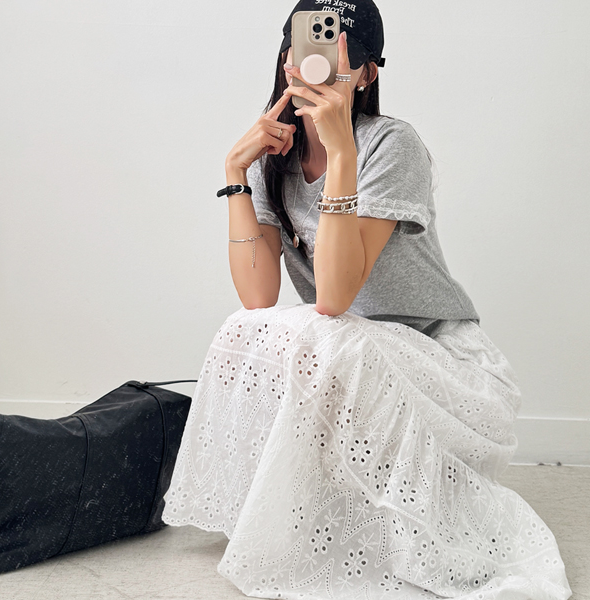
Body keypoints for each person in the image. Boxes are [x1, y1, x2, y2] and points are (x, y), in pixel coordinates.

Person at [162, 1, 572, 598]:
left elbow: (333, 296)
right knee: (245, 329)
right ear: (286, 60)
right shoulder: (273, 160)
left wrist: (342, 156)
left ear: (366, 73)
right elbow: (257, 296)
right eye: (303, 45)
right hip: (351, 352)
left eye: (336, 50)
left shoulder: (391, 144)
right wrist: (234, 172)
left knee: (321, 328)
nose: (314, 62)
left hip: (445, 366)